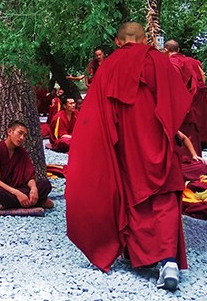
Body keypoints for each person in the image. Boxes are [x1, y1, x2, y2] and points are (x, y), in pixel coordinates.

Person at [66, 22, 192, 291]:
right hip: (157, 144)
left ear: (118, 41)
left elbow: (94, 119)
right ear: (145, 38)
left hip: (126, 148)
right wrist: (167, 131)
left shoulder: (109, 67)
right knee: (165, 197)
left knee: (132, 196)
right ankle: (168, 261)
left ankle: (142, 256)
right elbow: (180, 102)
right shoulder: (158, 61)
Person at [0, 121, 53, 210]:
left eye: (24, 136)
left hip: (17, 188)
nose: (22, 138)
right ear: (9, 132)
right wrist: (17, 193)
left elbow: (28, 177)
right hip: (1, 188)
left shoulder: (22, 152)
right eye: (20, 133)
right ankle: (38, 202)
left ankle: (9, 204)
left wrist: (33, 189)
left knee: (45, 184)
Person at [164, 40, 205, 155]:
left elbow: (174, 86)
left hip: (176, 104)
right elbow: (196, 81)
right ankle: (195, 157)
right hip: (189, 100)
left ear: (166, 50)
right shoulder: (188, 61)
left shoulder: (170, 63)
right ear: (178, 50)